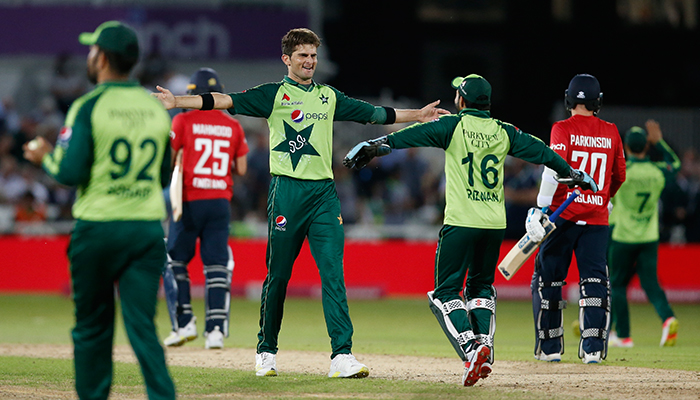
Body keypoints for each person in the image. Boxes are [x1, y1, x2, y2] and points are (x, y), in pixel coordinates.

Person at [152, 27, 450, 379]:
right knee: (278, 276)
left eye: (313, 55)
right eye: (303, 56)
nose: (309, 61)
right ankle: (266, 350)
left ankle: (342, 356)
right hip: (287, 193)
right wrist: (177, 102)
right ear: (287, 59)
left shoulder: (328, 96)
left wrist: (418, 115)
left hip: (323, 195)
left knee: (333, 275)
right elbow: (223, 100)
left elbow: (373, 113)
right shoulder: (272, 95)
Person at [343, 74, 597, 386]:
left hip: (461, 222)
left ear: (461, 101)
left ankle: (470, 347)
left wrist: (376, 145)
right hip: (493, 224)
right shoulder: (503, 131)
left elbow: (413, 135)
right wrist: (571, 172)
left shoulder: (453, 126)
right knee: (480, 290)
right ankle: (484, 348)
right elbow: (539, 151)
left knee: (444, 294)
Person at [23, 21, 176, 399]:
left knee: (92, 328)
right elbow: (163, 174)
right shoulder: (155, 110)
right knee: (142, 327)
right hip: (145, 230)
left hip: (99, 228)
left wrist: (44, 156)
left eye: (92, 51)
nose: (89, 56)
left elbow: (69, 172)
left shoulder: (88, 106)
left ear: (103, 58)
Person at [529, 73, 626, 364]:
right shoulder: (611, 131)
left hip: (562, 216)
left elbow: (551, 169)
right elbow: (619, 175)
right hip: (596, 219)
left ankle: (550, 349)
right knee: (595, 283)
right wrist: (603, 199)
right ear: (599, 102)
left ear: (568, 99)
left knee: (549, 282)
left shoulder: (562, 128)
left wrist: (541, 208)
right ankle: (593, 349)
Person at [162, 68, 249, 350]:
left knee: (176, 260)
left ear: (189, 93)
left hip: (188, 200)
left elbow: (170, 159)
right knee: (216, 266)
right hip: (220, 202)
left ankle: (184, 322)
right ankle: (215, 332)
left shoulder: (183, 120)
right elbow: (242, 168)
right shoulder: (233, 125)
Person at [608, 120, 680, 347]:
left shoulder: (621, 172)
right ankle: (668, 318)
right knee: (650, 284)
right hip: (648, 237)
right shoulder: (657, 171)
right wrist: (660, 143)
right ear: (646, 147)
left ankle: (623, 336)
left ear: (626, 147)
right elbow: (675, 164)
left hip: (622, 236)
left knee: (617, 285)